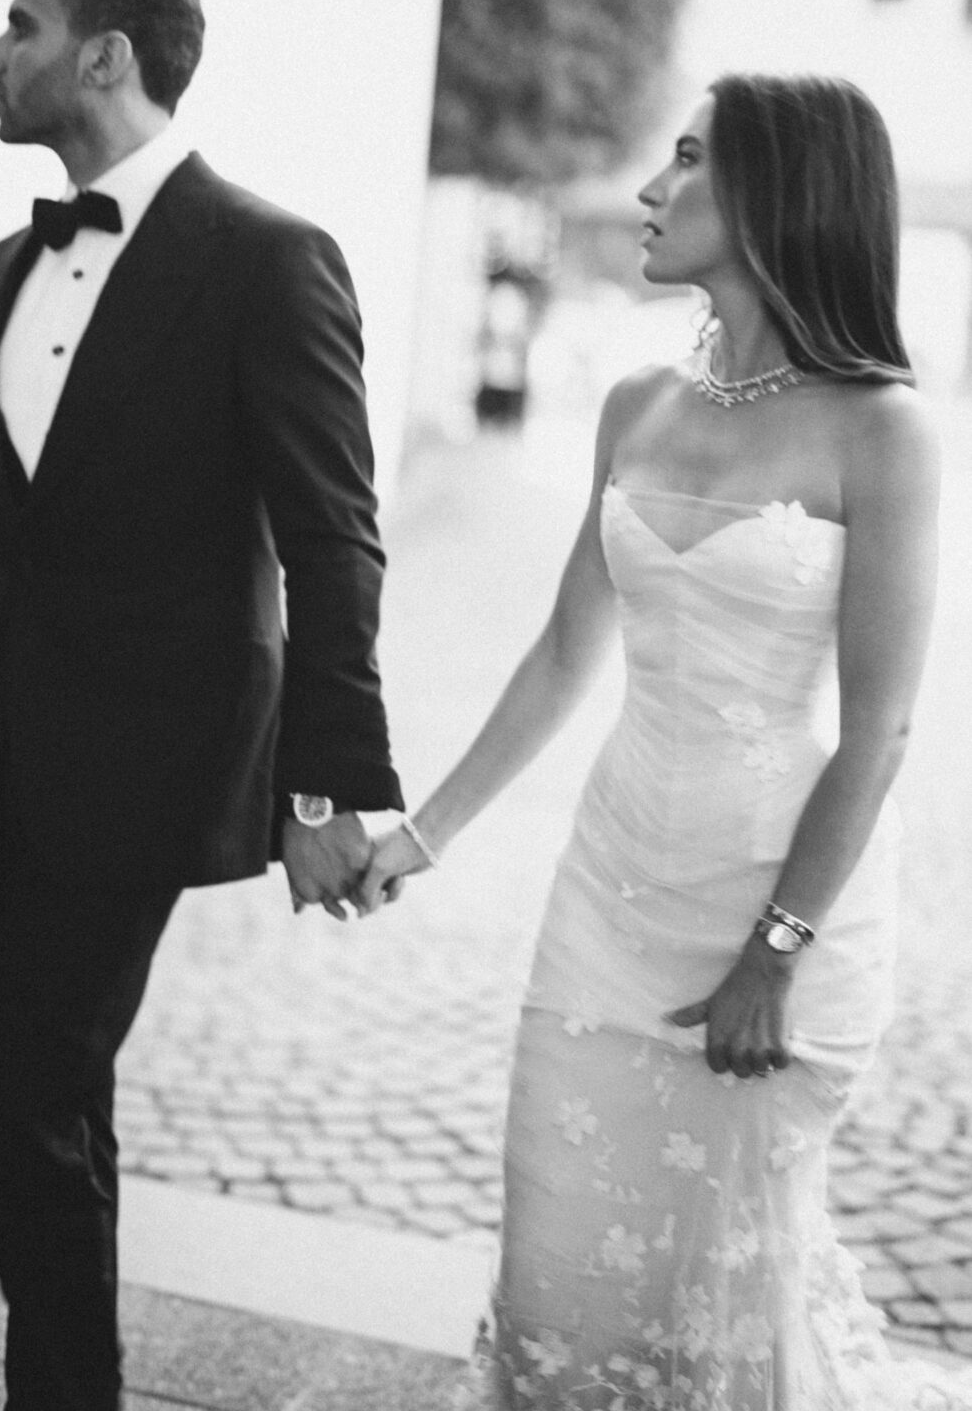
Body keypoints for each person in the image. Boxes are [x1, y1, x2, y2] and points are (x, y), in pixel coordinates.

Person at [361, 75, 972, 1407]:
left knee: (721, 1289)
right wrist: (425, 830)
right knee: (558, 1254)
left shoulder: (887, 435)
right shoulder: (635, 402)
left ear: (772, 195)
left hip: (776, 910)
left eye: (684, 162)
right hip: (609, 894)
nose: (647, 191)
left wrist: (777, 951)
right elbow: (564, 652)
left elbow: (883, 729)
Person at [0, 0, 402, 1410]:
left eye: (20, 25)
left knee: (4, 1112)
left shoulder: (265, 257)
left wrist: (328, 782)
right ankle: (74, 1386)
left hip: (155, 754)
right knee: (53, 1099)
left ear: (103, 56)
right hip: (9, 757)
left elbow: (336, 538)